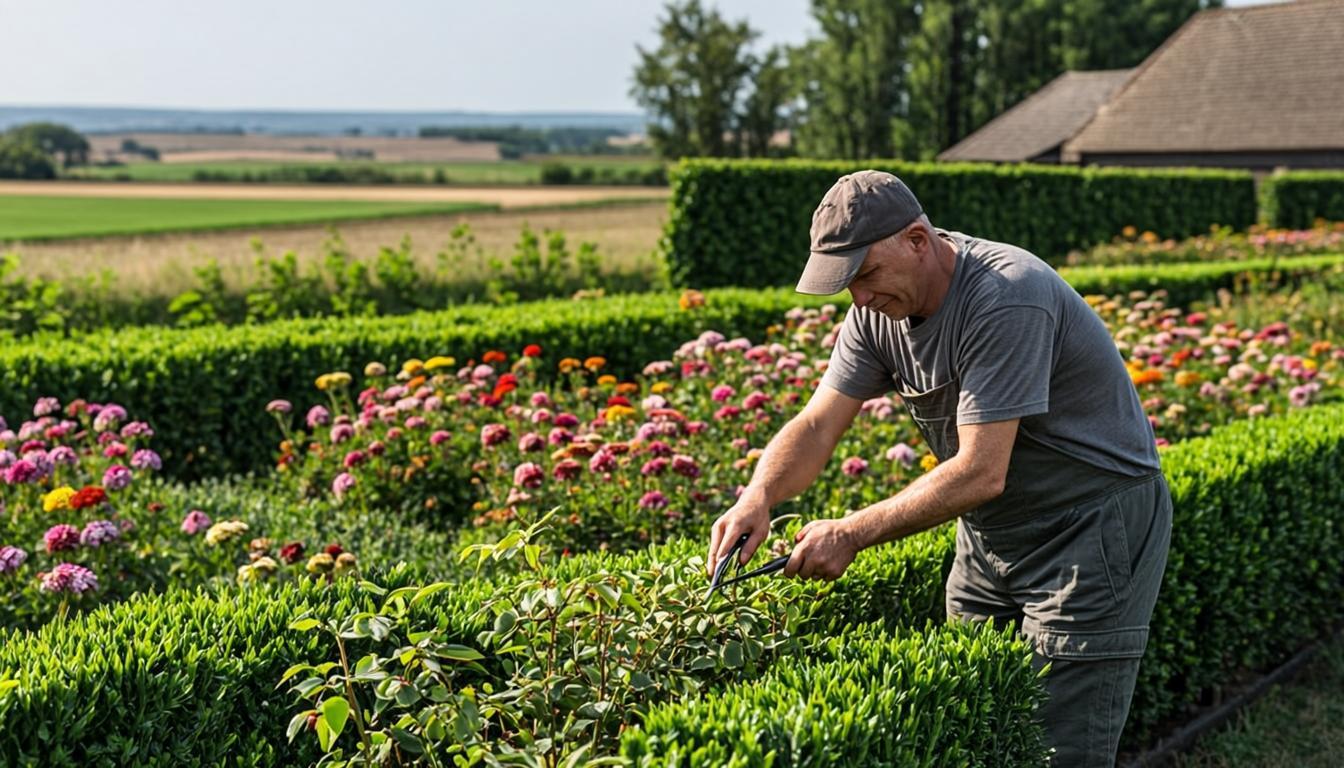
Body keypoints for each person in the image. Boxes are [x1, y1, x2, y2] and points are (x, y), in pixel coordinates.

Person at [707, 170, 1173, 767]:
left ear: (918, 241)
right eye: (848, 284)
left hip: (1088, 530)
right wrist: (759, 495)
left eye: (867, 275)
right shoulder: (876, 313)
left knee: (1059, 745)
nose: (861, 299)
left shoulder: (1006, 296)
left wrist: (849, 531)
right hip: (991, 534)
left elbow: (981, 470)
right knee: (975, 717)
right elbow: (819, 423)